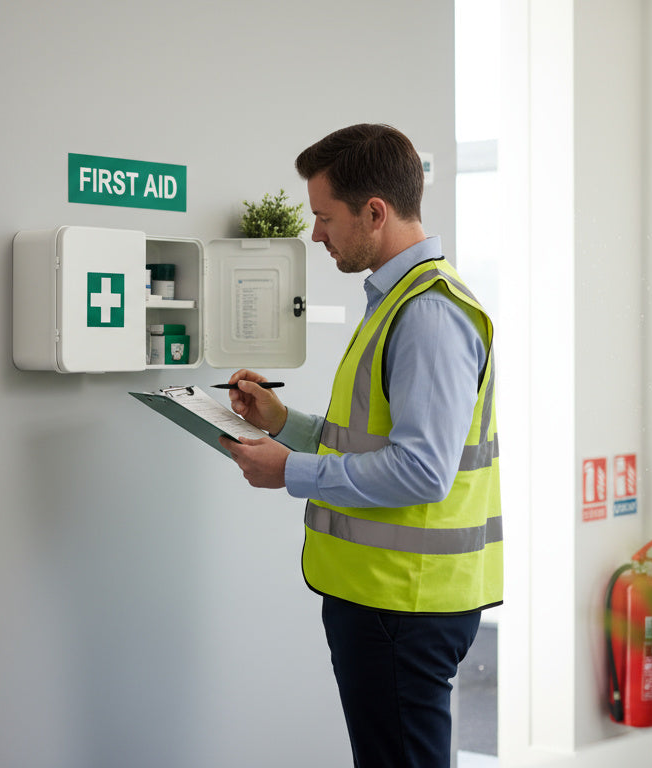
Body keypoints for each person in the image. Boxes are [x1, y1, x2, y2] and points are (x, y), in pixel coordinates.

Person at [218, 123, 502, 768]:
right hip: (387, 599)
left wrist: (290, 472)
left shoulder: (427, 314)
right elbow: (369, 442)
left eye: (325, 217)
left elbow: (422, 472)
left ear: (374, 213)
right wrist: (282, 421)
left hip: (403, 604)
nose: (316, 234)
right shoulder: (396, 301)